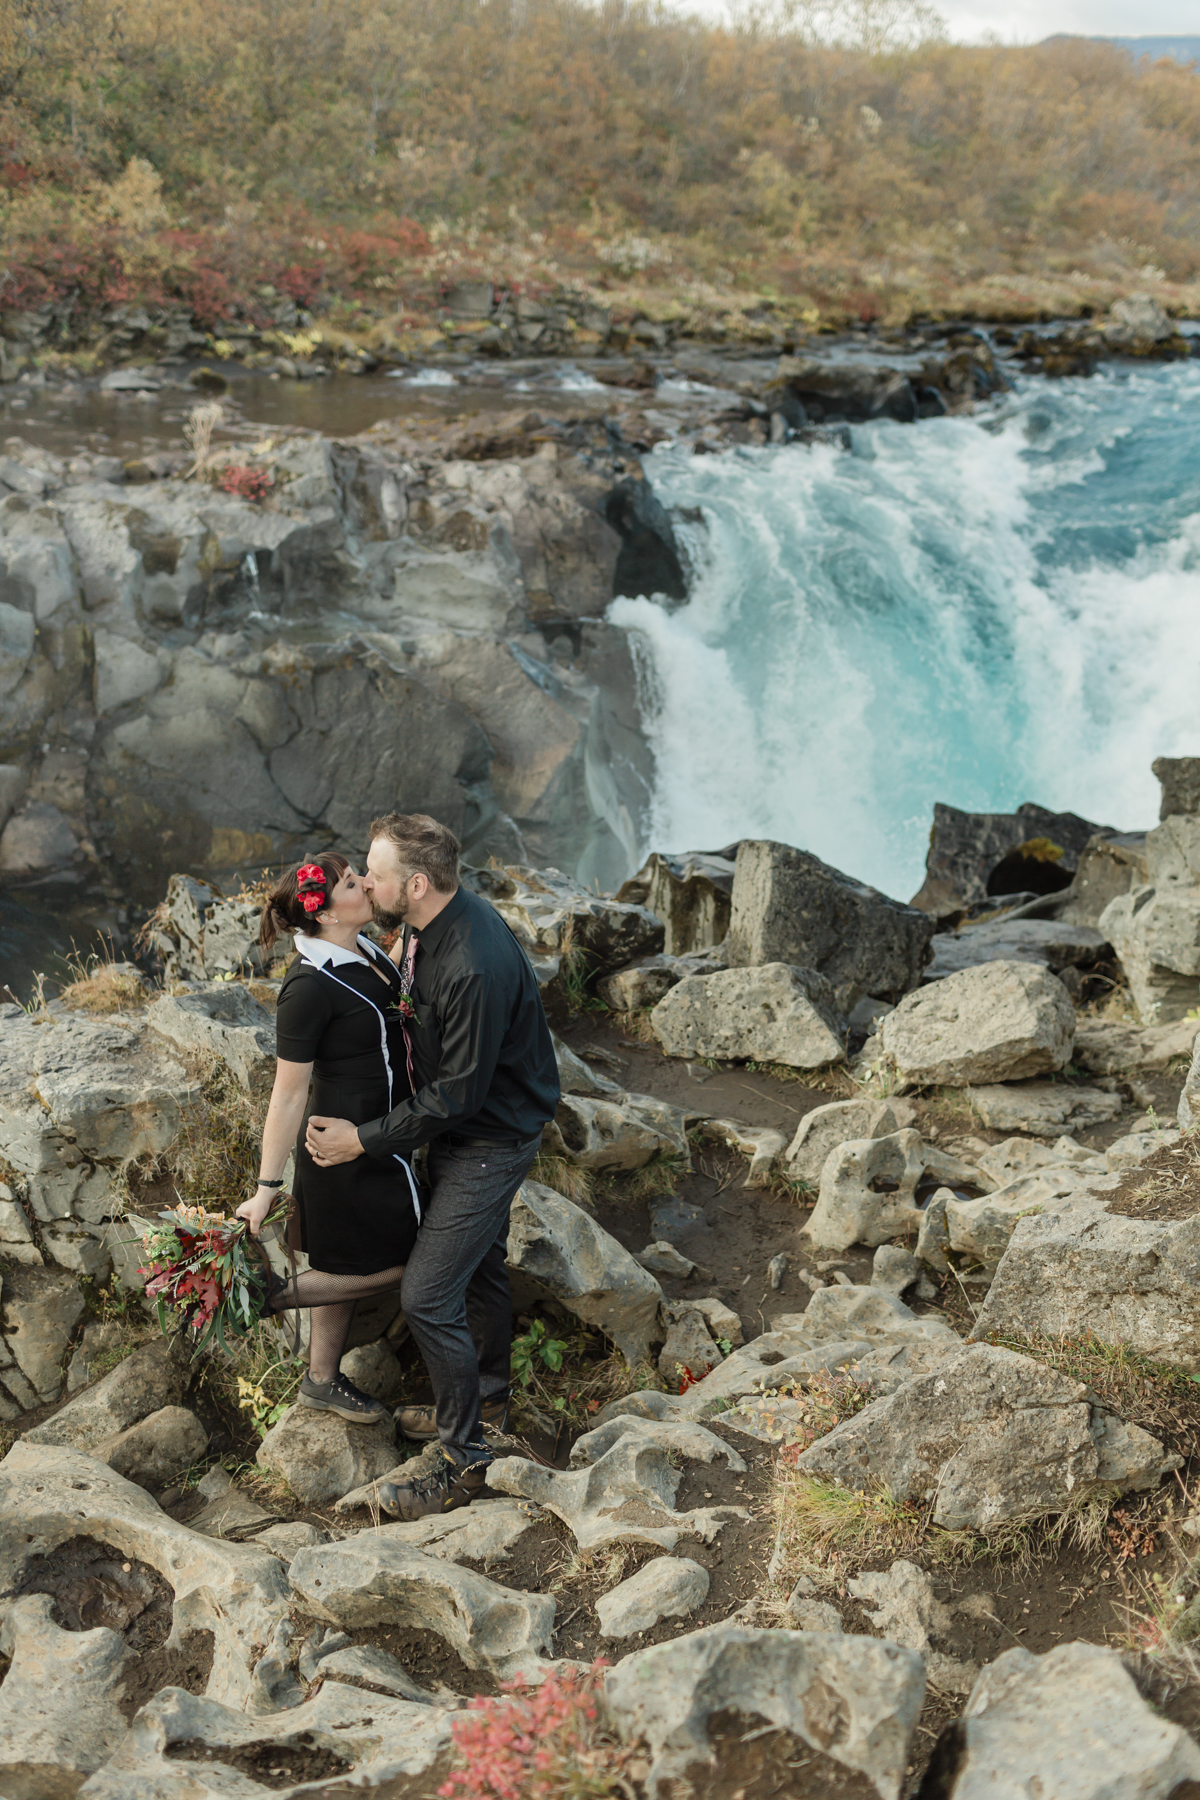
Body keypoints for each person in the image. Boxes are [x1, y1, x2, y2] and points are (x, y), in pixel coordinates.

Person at [304, 811, 561, 1520]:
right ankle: (489, 1404)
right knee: (478, 1266)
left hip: (491, 1138)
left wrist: (364, 1139)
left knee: (426, 1294)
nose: (362, 881)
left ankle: (464, 1461)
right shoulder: (426, 921)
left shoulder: (473, 964)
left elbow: (458, 1095)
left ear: (415, 884)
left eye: (374, 874)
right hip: (465, 1127)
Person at [235, 855, 423, 1423]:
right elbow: (288, 1094)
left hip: (379, 1134)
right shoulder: (307, 987)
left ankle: (320, 1379)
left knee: (344, 1257)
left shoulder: (360, 949)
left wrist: (419, 922)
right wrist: (267, 1188)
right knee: (417, 1261)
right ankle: (272, 1298)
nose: (364, 885)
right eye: (350, 883)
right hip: (342, 1147)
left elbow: (382, 992)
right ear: (325, 915)